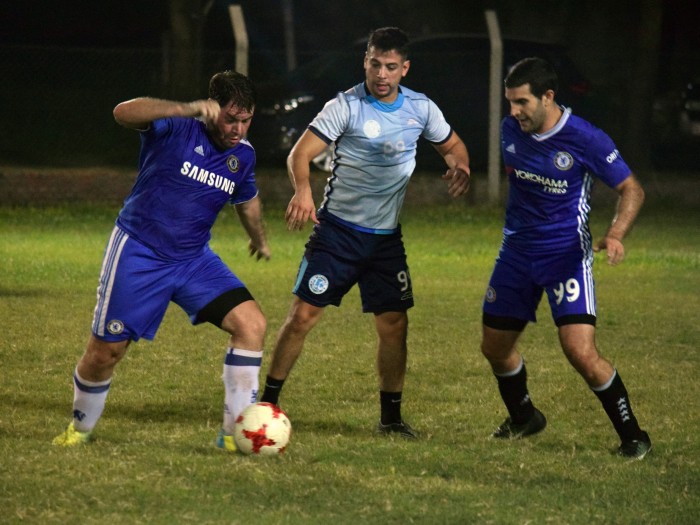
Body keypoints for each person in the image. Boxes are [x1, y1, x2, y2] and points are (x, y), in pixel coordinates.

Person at [259, 27, 471, 438]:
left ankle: (390, 418)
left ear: (404, 69)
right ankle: (267, 403)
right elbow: (300, 153)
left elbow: (453, 145)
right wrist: (303, 189)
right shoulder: (346, 106)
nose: (382, 74)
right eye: (375, 63)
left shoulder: (421, 109)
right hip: (337, 233)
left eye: (391, 66)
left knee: (394, 324)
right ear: (366, 62)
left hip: (385, 240)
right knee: (302, 316)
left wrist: (459, 167)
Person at [53, 70, 270, 451]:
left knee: (252, 325)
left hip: (193, 261)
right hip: (140, 252)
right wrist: (185, 108)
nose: (237, 129)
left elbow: (247, 199)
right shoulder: (177, 127)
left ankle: (234, 437)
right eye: (230, 119)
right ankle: (80, 428)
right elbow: (123, 112)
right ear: (211, 109)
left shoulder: (243, 155)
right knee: (106, 352)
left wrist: (259, 239)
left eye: (245, 120)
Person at [480, 57, 651, 459]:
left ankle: (634, 436)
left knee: (580, 351)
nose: (514, 112)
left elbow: (632, 189)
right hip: (516, 256)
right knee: (494, 347)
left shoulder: (586, 138)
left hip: (566, 257)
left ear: (548, 97)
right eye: (510, 103)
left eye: (522, 102)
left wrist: (614, 235)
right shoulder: (510, 130)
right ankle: (524, 418)